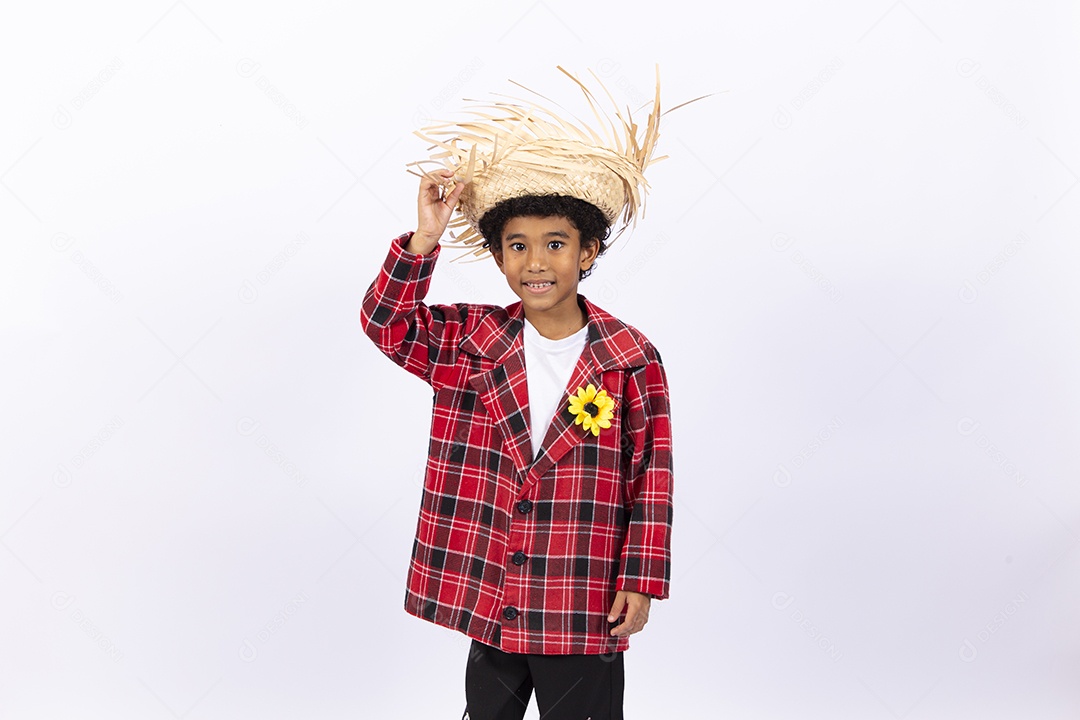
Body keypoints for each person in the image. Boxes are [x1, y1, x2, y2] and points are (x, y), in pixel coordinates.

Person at [359, 67, 681, 720]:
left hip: (580, 592)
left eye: (556, 244)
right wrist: (423, 242)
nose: (537, 262)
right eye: (519, 247)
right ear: (500, 258)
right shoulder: (470, 341)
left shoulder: (629, 357)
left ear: (588, 252)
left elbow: (653, 474)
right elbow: (386, 324)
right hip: (495, 591)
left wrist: (641, 582)